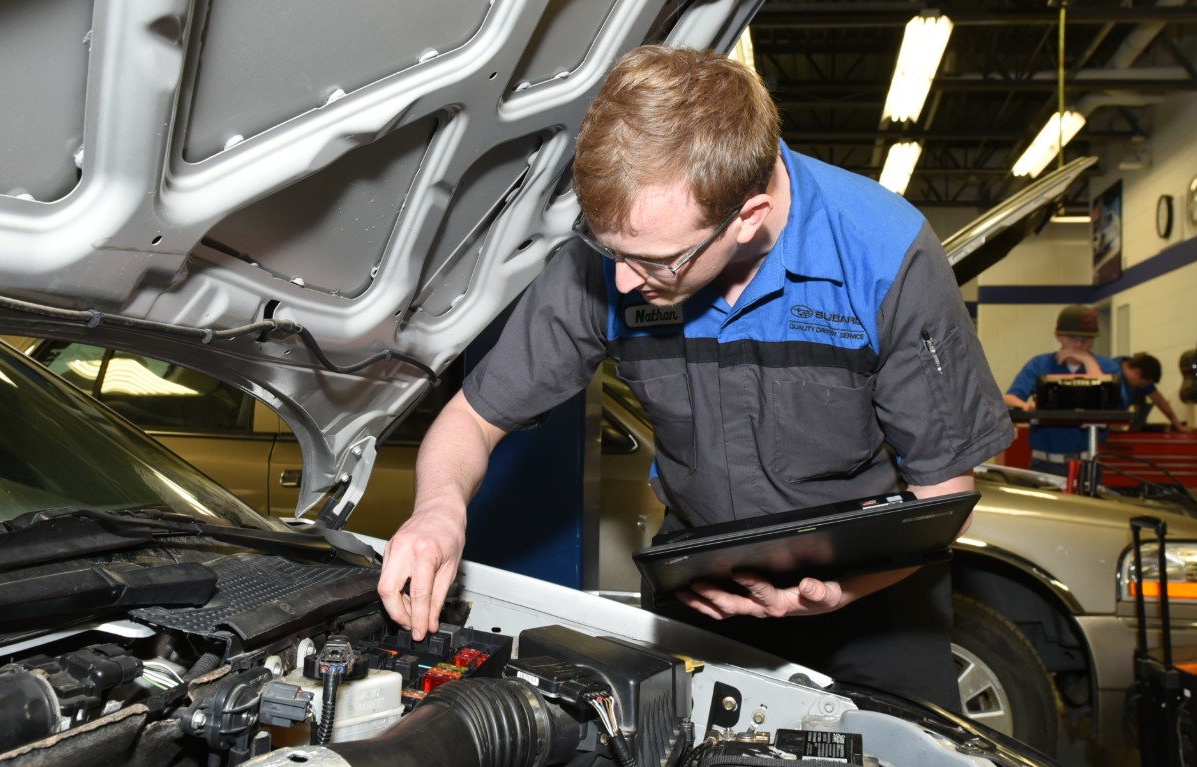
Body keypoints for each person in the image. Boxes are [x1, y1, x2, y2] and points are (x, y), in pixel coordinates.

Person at [375, 45, 1012, 712]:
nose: (622, 280)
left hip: (875, 604)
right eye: (609, 250)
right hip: (701, 592)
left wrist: (842, 590)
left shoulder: (885, 254)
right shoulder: (615, 260)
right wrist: (437, 510)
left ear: (747, 217)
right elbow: (473, 417)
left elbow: (943, 493)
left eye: (656, 259)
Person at [1002, 305, 1122, 475]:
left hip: (1087, 462)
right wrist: (1028, 408)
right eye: (1073, 338)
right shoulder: (1040, 364)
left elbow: (1113, 402)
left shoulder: (1107, 367)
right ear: (1058, 335)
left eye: (1087, 339)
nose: (1079, 344)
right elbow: (1009, 397)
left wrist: (1088, 361)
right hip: (1045, 463)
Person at [1118, 352, 1190, 432]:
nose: (1141, 387)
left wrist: (1178, 425)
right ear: (1137, 373)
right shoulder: (1108, 370)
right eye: (1142, 384)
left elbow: (1160, 401)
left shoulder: (1140, 378)